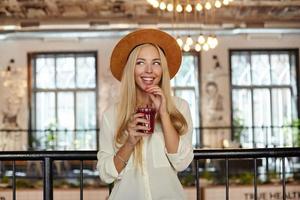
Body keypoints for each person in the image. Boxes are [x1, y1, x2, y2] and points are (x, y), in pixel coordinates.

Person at [97, 29, 194, 200]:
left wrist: (164, 114)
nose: (149, 70)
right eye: (140, 62)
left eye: (156, 63)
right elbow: (106, 174)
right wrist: (130, 142)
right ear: (131, 69)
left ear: (162, 69)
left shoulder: (180, 107)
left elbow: (181, 162)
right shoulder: (111, 115)